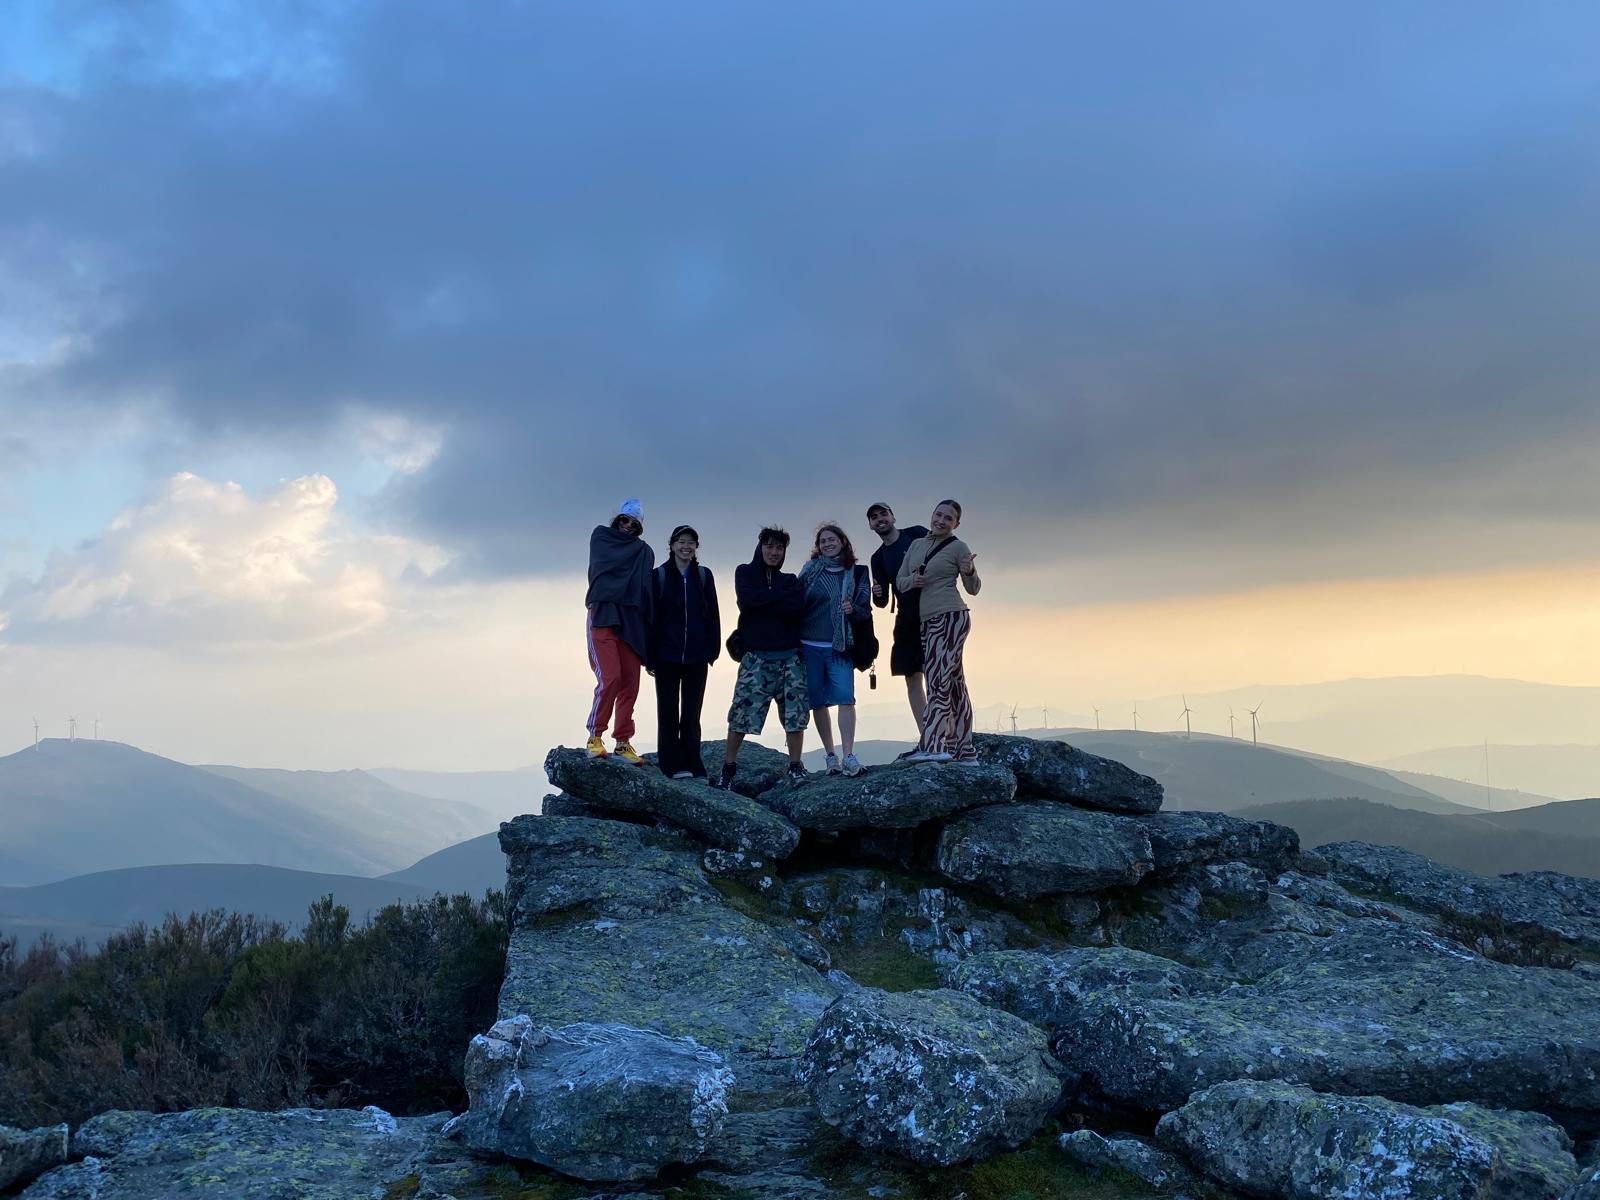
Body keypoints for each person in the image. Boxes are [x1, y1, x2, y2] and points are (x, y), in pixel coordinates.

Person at [713, 527, 811, 791]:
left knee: (795, 716)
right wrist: (776, 602)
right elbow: (747, 601)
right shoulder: (744, 572)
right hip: (756, 658)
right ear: (760, 547)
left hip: (790, 657)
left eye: (779, 548)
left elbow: (796, 607)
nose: (774, 552)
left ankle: (795, 766)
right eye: (769, 546)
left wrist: (765, 602)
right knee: (741, 715)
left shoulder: (790, 580)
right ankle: (728, 769)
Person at [896, 499, 981, 764]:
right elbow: (900, 581)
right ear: (932, 515)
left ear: (956, 524)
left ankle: (933, 745)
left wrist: (969, 570)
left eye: (948, 518)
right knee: (954, 684)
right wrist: (914, 581)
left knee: (937, 682)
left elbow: (973, 588)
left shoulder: (958, 547)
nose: (941, 521)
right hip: (927, 621)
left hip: (951, 617)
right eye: (939, 515)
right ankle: (964, 750)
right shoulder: (916, 545)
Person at [797, 523, 871, 776]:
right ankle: (830, 756)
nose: (827, 544)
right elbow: (795, 603)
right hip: (808, 645)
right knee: (818, 702)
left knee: (845, 698)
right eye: (823, 541)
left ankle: (848, 755)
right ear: (818, 547)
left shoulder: (858, 572)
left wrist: (854, 610)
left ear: (843, 541)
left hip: (840, 646)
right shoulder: (809, 572)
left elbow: (865, 610)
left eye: (832, 539)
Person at [584, 499, 654, 764]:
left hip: (630, 620)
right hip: (603, 614)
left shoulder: (644, 551)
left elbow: (645, 589)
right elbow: (602, 571)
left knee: (630, 684)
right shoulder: (601, 537)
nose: (627, 526)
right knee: (610, 678)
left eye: (633, 523)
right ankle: (595, 736)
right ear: (617, 519)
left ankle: (623, 741)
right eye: (624, 520)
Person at [648, 524, 721, 781]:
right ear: (672, 545)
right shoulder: (659, 576)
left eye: (691, 542)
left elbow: (713, 614)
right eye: (681, 541)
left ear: (696, 547)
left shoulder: (703, 575)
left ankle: (694, 763)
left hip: (697, 657)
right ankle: (670, 764)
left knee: (692, 714)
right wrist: (650, 655)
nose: (686, 546)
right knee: (667, 712)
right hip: (666, 656)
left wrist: (713, 649)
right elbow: (651, 618)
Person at [866, 502, 930, 734]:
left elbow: (941, 554)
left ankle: (946, 734)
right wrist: (877, 594)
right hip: (906, 618)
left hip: (932, 609)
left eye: (883, 514)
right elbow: (882, 603)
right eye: (874, 517)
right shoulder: (878, 558)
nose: (880, 519)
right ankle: (927, 736)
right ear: (871, 526)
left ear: (893, 516)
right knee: (912, 676)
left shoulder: (917, 534)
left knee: (936, 675)